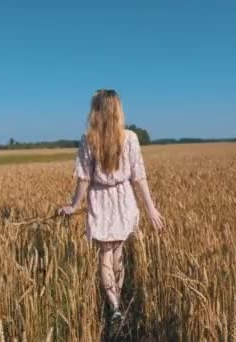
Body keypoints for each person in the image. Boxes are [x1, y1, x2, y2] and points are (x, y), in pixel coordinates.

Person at [58, 89, 164, 324]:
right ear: (118, 110)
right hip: (124, 197)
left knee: (105, 254)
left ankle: (114, 307)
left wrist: (74, 205)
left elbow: (84, 178)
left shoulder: (89, 138)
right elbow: (139, 176)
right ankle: (118, 300)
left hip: (100, 200)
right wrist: (150, 208)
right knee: (118, 252)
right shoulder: (130, 137)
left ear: (96, 111)